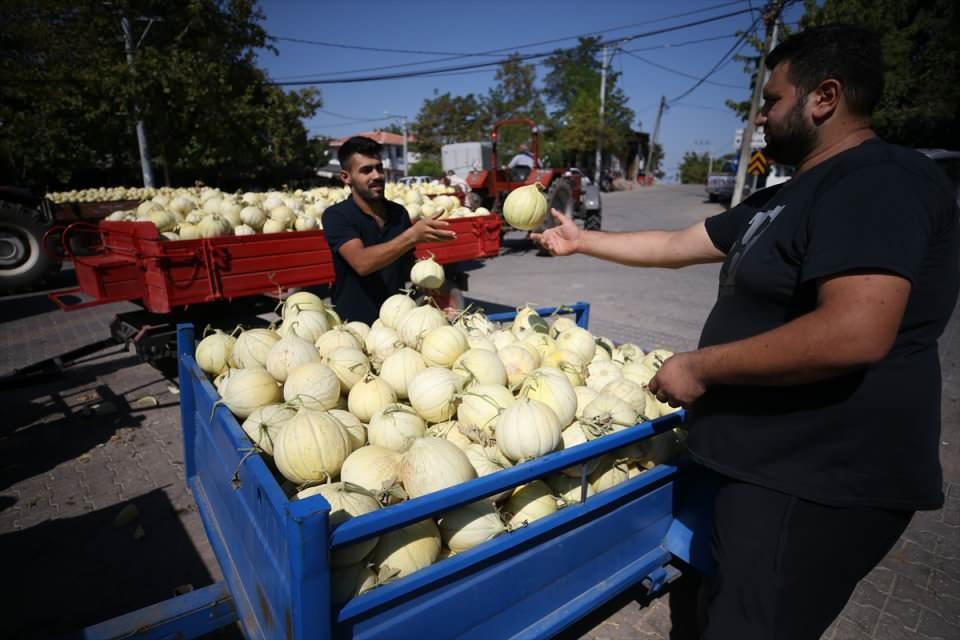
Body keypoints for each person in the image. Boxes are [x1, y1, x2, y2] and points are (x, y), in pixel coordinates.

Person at [533, 24, 958, 639]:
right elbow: (678, 243)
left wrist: (701, 366)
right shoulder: (790, 196)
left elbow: (854, 331)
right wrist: (582, 241)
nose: (761, 116)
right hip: (773, 468)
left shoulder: (878, 180)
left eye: (772, 99)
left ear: (825, 96)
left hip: (820, 480)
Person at [322, 136, 456, 324]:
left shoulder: (398, 213)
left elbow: (406, 263)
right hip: (354, 325)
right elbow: (361, 263)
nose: (376, 175)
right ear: (346, 177)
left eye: (379, 168)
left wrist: (433, 284)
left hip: (397, 322)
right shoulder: (336, 216)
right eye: (366, 170)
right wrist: (412, 236)